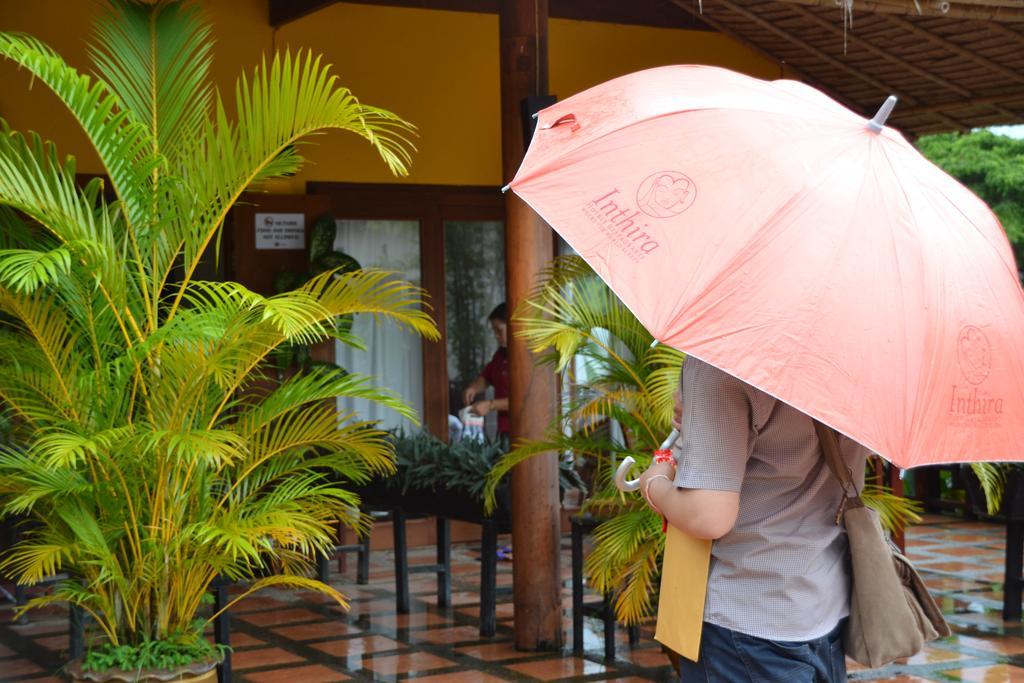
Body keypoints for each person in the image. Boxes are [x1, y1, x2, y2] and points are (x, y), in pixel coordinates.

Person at [638, 355, 868, 682]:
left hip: (745, 615)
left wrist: (654, 483)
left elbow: (708, 515)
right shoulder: (862, 361)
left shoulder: (723, 359)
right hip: (823, 606)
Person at [462, 303, 510, 440]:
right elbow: (487, 377)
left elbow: (524, 399)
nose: (496, 336)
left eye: (499, 330)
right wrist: (473, 388)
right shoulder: (500, 355)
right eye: (494, 331)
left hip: (524, 430)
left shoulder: (526, 357)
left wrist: (491, 405)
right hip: (504, 430)